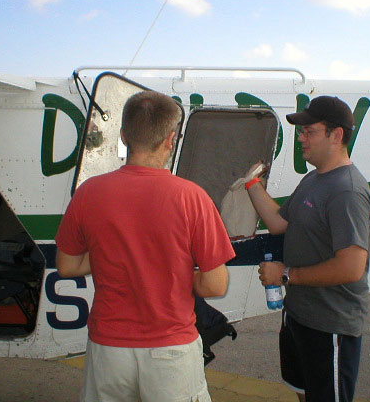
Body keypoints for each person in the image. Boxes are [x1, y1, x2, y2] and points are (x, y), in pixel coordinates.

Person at [55, 90, 236, 402]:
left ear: (124, 136)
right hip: (170, 350)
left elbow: (68, 265)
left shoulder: (89, 193)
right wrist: (176, 272)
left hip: (108, 350)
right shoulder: (192, 197)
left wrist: (111, 255)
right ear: (170, 139)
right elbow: (215, 285)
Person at [245, 96, 370, 402]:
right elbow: (279, 223)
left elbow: (352, 267)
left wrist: (286, 274)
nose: (301, 138)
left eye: (309, 131)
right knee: (303, 393)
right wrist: (251, 185)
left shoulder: (347, 190)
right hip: (299, 317)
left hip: (330, 327)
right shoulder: (313, 179)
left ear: (336, 134)